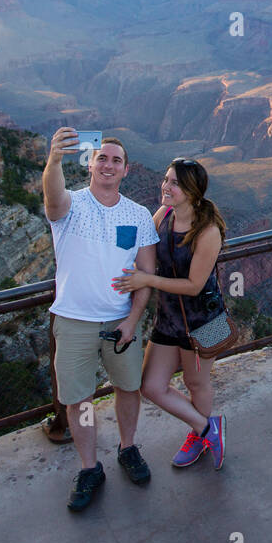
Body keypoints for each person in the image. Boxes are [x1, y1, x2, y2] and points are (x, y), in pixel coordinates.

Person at [43, 129, 159, 511]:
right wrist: (54, 160)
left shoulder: (138, 215)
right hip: (73, 321)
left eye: (116, 160)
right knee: (79, 399)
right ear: (90, 165)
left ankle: (128, 448)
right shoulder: (71, 205)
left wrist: (133, 320)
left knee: (129, 388)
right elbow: (52, 198)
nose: (108, 165)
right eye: (102, 158)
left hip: (121, 321)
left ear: (126, 169)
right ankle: (90, 468)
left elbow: (146, 275)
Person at [113, 159, 228, 470]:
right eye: (166, 179)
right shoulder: (163, 215)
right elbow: (139, 247)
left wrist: (147, 280)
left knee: (196, 383)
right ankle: (207, 428)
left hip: (206, 322)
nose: (166, 186)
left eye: (175, 183)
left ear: (192, 191)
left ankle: (198, 437)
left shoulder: (208, 231)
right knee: (151, 385)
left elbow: (193, 286)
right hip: (168, 320)